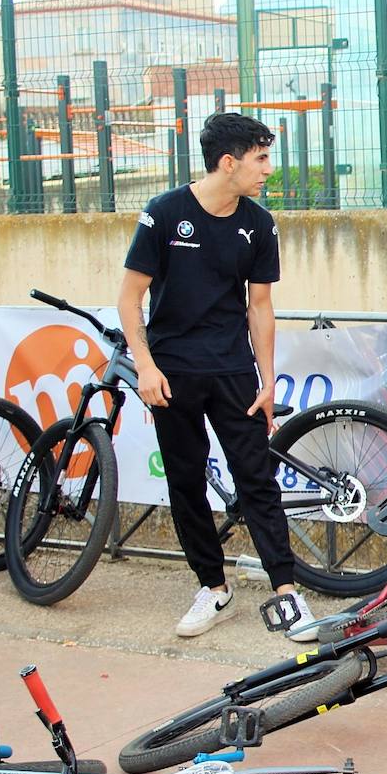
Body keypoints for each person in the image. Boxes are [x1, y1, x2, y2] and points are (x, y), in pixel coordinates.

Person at [118, 112, 317, 642]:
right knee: (185, 482)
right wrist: (145, 365)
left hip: (233, 371)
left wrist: (268, 379)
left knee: (256, 480)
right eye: (260, 159)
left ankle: (286, 591)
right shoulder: (163, 214)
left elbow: (260, 306)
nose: (268, 170)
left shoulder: (259, 222)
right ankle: (213, 587)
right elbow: (129, 297)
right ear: (228, 163)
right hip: (172, 372)